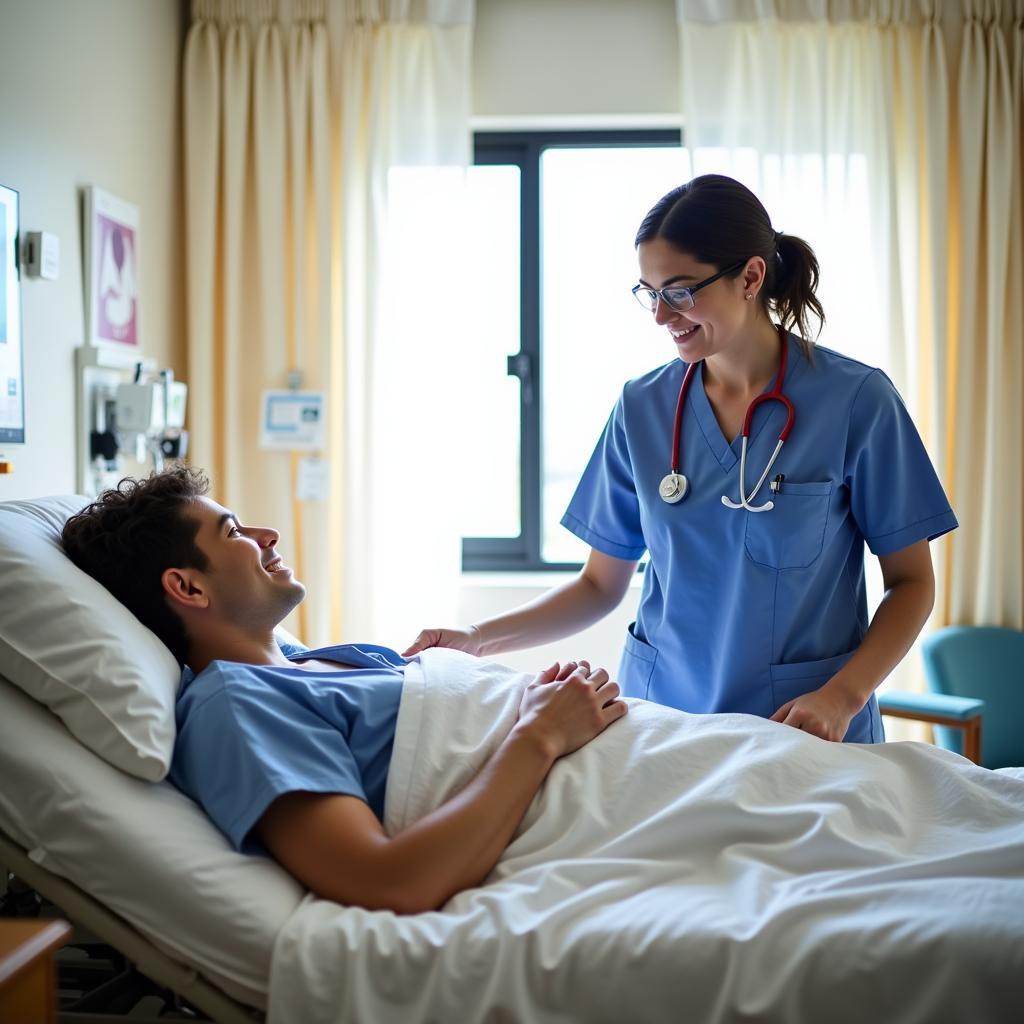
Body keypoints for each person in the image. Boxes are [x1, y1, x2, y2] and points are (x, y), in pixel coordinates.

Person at [405, 174, 958, 745]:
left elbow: (912, 582)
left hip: (804, 726)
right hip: (663, 725)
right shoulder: (642, 407)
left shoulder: (856, 401)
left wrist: (843, 696)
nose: (661, 315)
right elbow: (598, 586)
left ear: (750, 276)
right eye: (649, 292)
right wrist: (473, 637)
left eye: (680, 290)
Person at [60, 467, 627, 915]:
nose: (268, 535)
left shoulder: (312, 661)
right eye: (233, 531)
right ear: (187, 586)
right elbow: (389, 881)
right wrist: (540, 734)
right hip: (608, 812)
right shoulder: (236, 705)